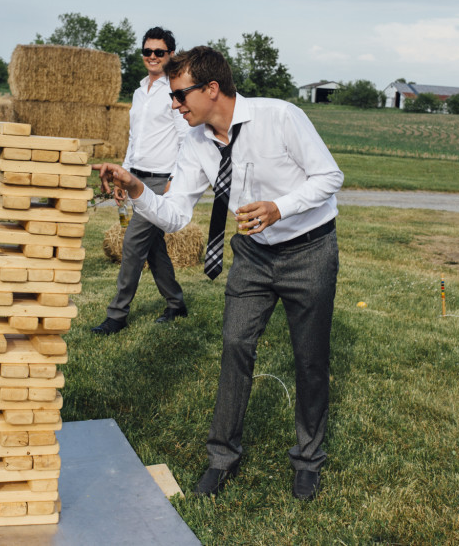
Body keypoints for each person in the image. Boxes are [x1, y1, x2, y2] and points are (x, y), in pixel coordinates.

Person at [94, 46, 343, 500]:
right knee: (234, 345)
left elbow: (329, 177)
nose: (174, 105)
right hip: (253, 255)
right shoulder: (194, 142)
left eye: (179, 95)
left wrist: (278, 207)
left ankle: (308, 460)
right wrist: (135, 189)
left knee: (309, 360)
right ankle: (222, 458)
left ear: (212, 89)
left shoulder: (280, 117)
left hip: (309, 251)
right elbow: (174, 217)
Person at [92, 26, 190, 335]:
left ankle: (117, 315)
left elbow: (185, 136)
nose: (152, 57)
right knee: (153, 247)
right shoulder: (139, 92)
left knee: (134, 243)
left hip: (162, 180)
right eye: (147, 51)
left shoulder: (174, 90)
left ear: (170, 55)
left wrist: (176, 177)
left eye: (158, 52)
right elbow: (135, 139)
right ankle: (176, 303)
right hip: (137, 177)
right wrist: (123, 176)